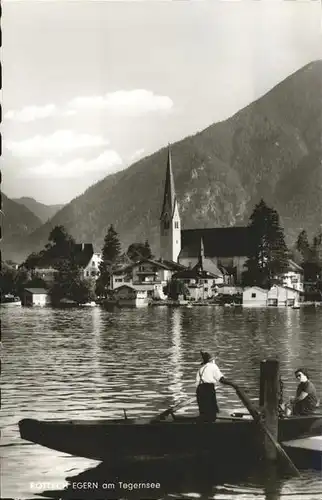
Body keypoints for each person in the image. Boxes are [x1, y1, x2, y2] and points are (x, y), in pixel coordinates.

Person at [196, 351, 231, 421]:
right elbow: (221, 379)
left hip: (199, 390)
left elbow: (197, 383)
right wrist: (233, 384)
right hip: (207, 389)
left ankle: (201, 427)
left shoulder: (200, 369)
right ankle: (210, 427)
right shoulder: (213, 366)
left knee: (203, 413)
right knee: (211, 414)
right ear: (211, 360)